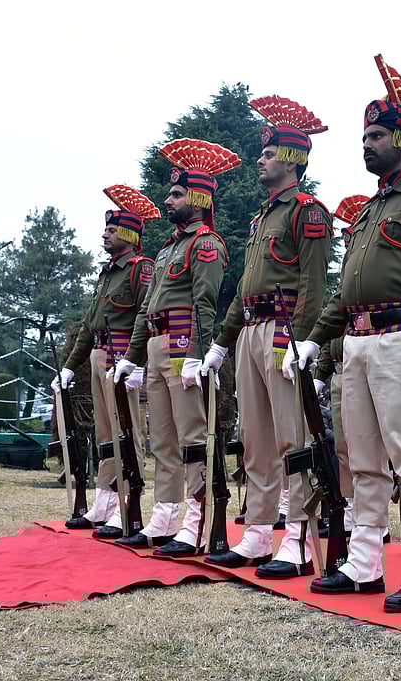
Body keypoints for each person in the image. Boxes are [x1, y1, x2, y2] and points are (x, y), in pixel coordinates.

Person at [284, 55, 401, 613]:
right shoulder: (368, 211)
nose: (367, 144)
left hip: (400, 340)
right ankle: (363, 564)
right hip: (355, 344)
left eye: (377, 135)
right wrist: (311, 338)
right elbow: (343, 292)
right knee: (362, 460)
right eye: (364, 136)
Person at [200, 96, 332, 577]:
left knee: (291, 438)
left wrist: (302, 343)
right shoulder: (261, 218)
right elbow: (245, 287)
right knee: (253, 438)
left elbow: (314, 287)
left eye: (270, 152)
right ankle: (257, 531)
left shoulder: (307, 212)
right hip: (250, 331)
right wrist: (221, 340)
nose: (261, 158)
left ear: (292, 158)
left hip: (281, 330)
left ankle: (297, 537)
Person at [112, 139, 239, 552]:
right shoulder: (169, 248)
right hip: (156, 343)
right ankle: (164, 516)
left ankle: (197, 522)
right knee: (162, 439)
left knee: (192, 436)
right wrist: (131, 359)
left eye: (176, 193)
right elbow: (145, 309)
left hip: (184, 342)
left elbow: (205, 303)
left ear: (199, 197)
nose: (167, 200)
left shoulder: (206, 244)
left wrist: (197, 355)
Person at [53, 185, 157, 536]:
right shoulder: (108, 271)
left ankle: (129, 501)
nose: (105, 235)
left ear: (129, 233)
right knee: (105, 433)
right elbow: (89, 324)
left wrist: (136, 362)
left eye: (112, 230)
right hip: (100, 353)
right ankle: (107, 500)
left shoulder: (139, 268)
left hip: (121, 355)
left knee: (128, 432)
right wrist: (69, 365)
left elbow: (147, 314)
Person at [313, 194, 370, 535]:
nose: (347, 241)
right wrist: (320, 374)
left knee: (365, 446)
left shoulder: (363, 280)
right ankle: (349, 509)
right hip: (338, 369)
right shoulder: (345, 281)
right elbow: (330, 331)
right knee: (343, 446)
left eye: (351, 236)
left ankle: (367, 513)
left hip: (361, 363)